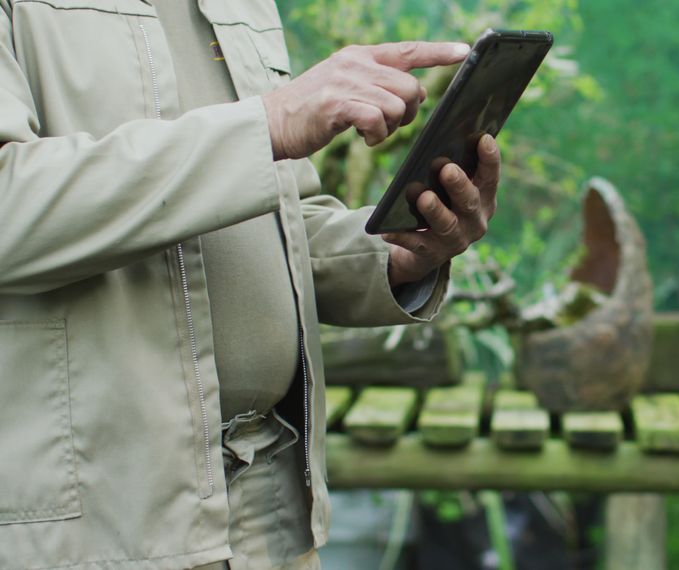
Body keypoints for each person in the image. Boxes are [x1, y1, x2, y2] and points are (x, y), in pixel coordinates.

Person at [0, 1, 499, 568]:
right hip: (104, 530)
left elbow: (275, 219)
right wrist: (268, 123)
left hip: (270, 520)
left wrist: (391, 256)